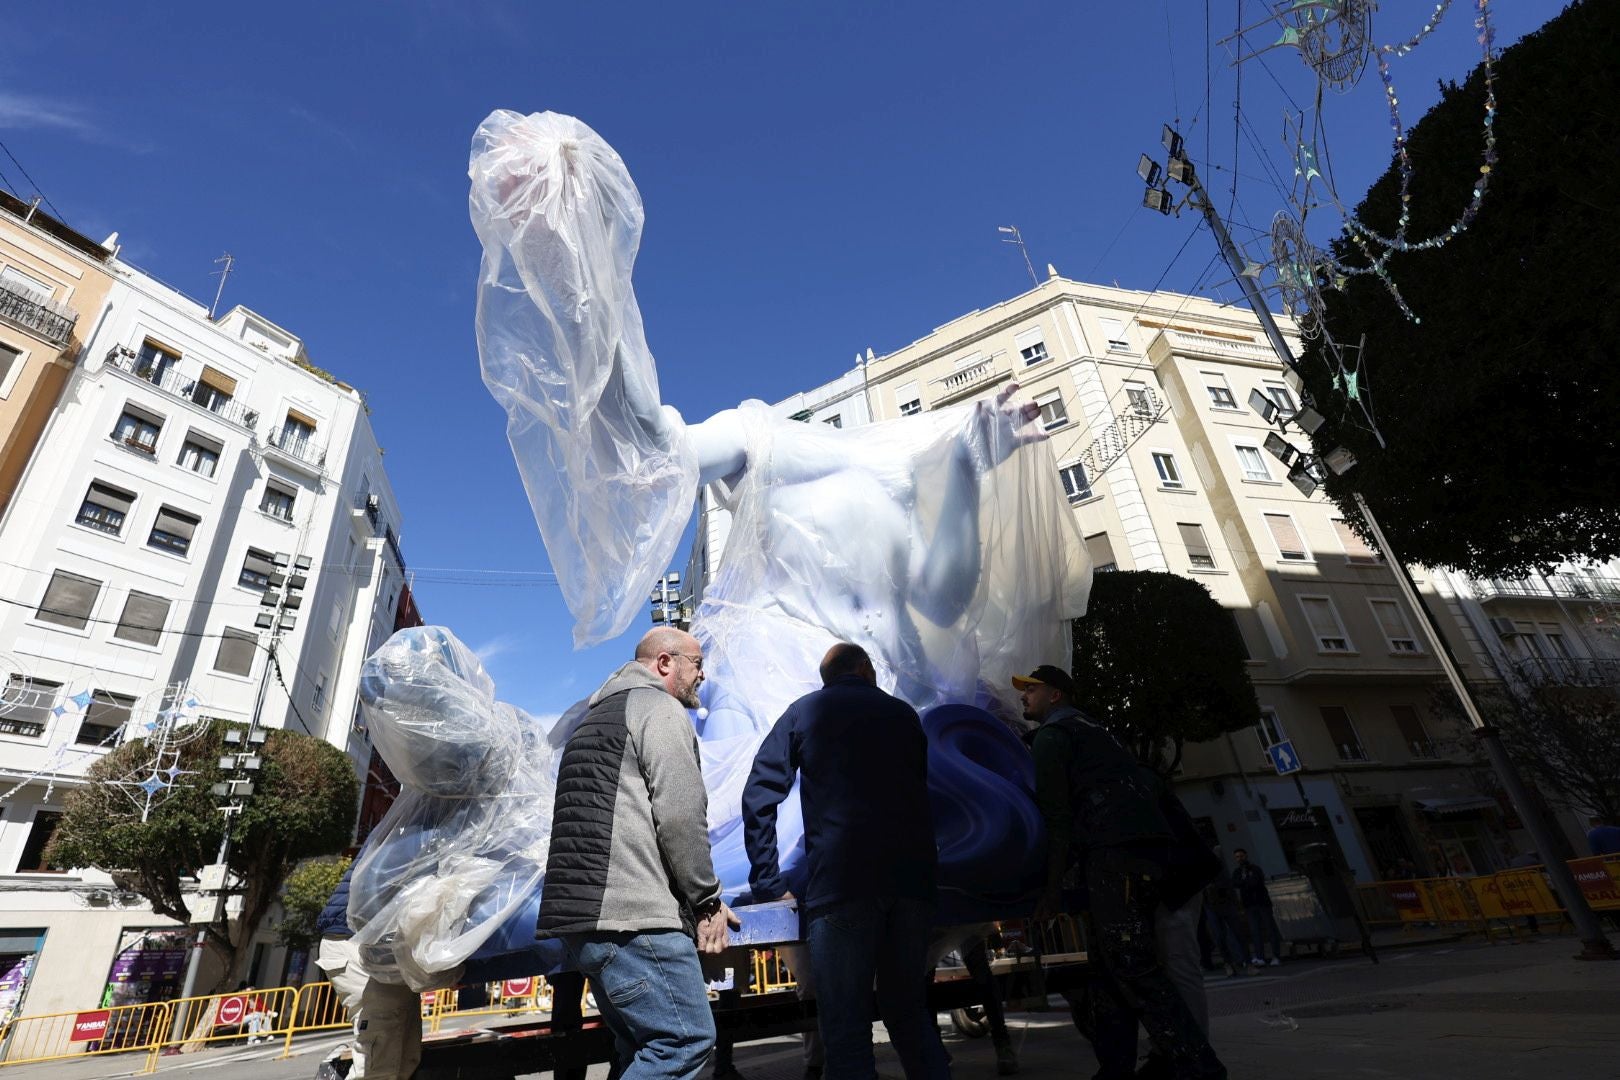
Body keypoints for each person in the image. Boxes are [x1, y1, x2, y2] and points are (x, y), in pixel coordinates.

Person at [539, 627, 740, 1080]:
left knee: (637, 1049)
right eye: (696, 663)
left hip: (582, 921)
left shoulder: (591, 722)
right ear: (665, 663)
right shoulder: (659, 710)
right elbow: (681, 815)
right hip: (633, 916)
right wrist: (706, 899)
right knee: (683, 1039)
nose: (702, 675)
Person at [742, 643, 951, 1080]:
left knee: (846, 1029)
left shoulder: (804, 712)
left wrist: (767, 882)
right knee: (910, 1015)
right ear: (865, 669)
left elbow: (759, 795)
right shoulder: (905, 715)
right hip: (913, 885)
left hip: (842, 887)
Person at [1020, 664, 1225, 1080]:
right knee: (1111, 966)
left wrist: (1053, 886)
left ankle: (1197, 1066)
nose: (1024, 696)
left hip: (1115, 860)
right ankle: (1118, 1067)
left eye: (1031, 689)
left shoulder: (1054, 738)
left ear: (1054, 695)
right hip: (1147, 863)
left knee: (1133, 966)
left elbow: (1057, 817)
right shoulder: (1100, 734)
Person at [314, 866, 425, 1080]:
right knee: (379, 1061)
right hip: (359, 942)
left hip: (371, 943)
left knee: (403, 1054)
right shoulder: (413, 834)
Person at [1230, 849, 1283, 966]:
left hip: (1262, 903)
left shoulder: (1255, 869)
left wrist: (1243, 882)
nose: (1239, 859)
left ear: (1246, 856)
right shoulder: (1238, 871)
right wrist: (1245, 882)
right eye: (1237, 857)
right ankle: (1260, 957)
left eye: (1241, 856)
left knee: (1270, 930)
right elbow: (1235, 883)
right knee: (1255, 932)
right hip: (1250, 905)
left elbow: (1254, 882)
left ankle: (1275, 955)